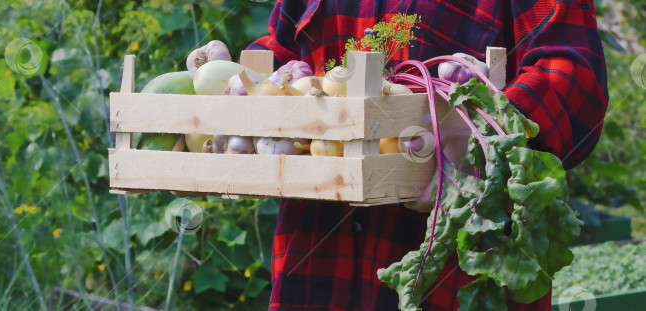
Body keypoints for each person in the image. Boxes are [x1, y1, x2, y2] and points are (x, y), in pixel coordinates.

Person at [246, 0, 608, 310]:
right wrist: (250, 79)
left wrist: (487, 125)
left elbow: (576, 79)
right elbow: (283, 46)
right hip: (312, 268)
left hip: (454, 274)